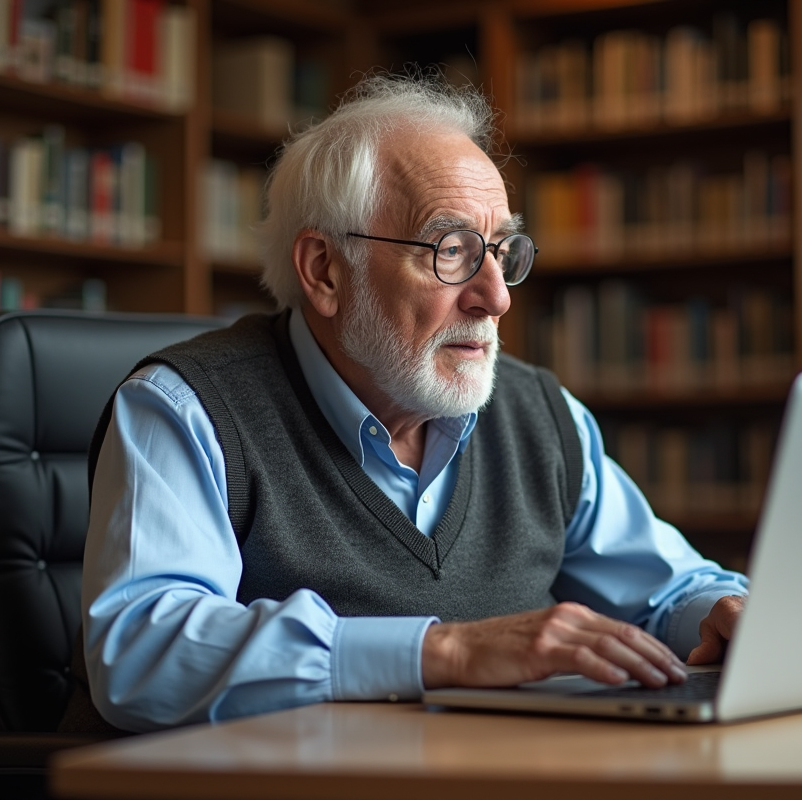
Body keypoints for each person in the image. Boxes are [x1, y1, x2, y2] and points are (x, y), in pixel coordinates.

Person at [66, 73, 748, 734]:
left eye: (501, 252)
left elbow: (667, 586)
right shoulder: (185, 410)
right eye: (451, 250)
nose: (496, 297)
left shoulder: (540, 413)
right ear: (325, 271)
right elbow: (140, 652)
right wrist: (444, 652)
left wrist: (719, 612)